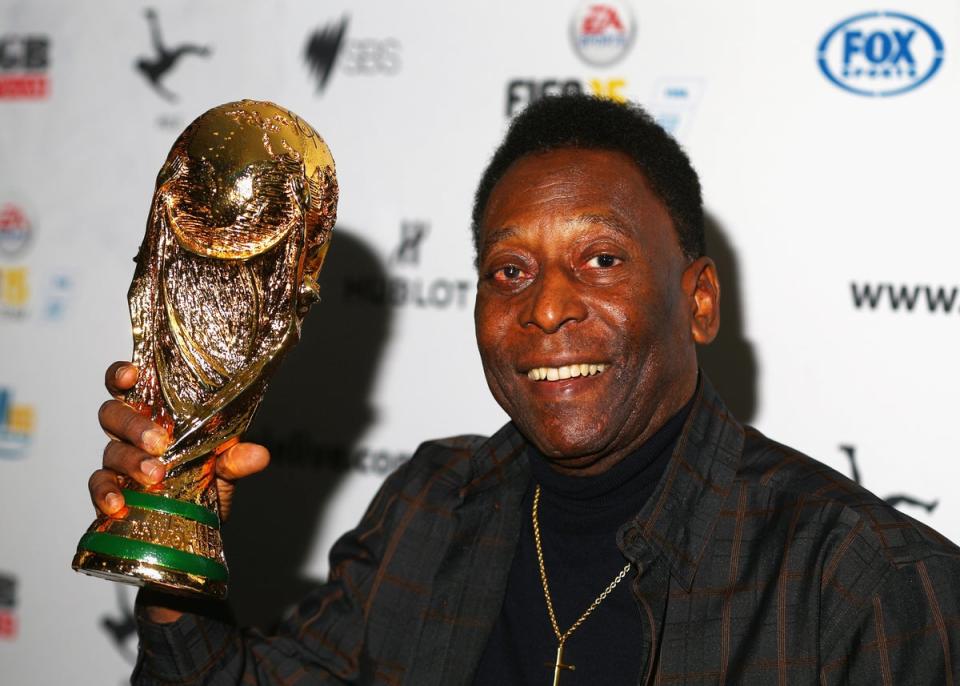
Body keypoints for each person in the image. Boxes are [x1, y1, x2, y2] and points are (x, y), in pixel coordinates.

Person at [89, 95, 960, 685]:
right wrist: (177, 557)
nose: (545, 306)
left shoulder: (868, 584)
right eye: (509, 269)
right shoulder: (431, 507)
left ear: (698, 301)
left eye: (601, 259)